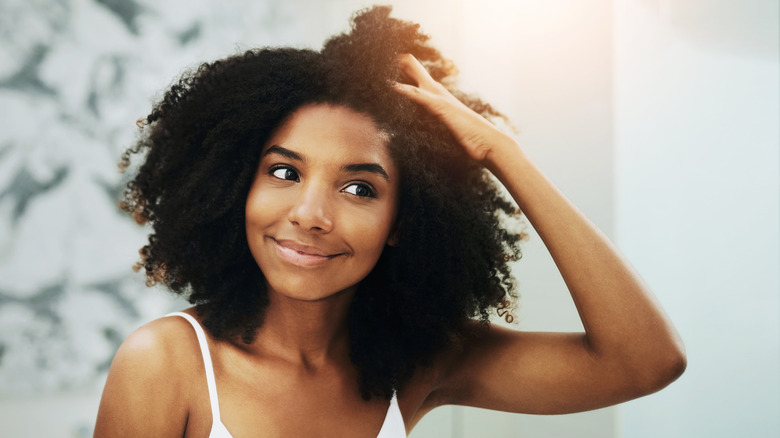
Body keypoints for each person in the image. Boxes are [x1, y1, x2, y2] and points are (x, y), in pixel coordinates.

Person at [94, 6, 685, 437]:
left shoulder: (417, 364)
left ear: (403, 220)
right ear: (234, 187)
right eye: (284, 173)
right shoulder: (167, 362)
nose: (310, 215)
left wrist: (502, 153)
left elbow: (644, 362)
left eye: (359, 188)